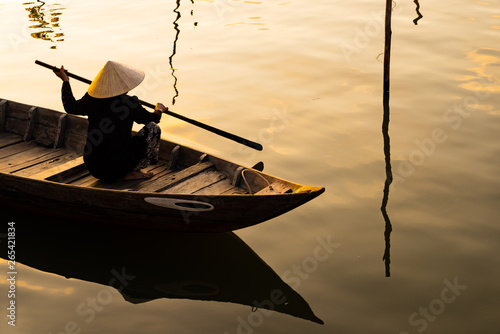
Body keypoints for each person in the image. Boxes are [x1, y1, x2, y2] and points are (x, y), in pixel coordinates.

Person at [53, 61, 168, 182]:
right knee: (154, 128)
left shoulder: (91, 99)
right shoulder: (129, 103)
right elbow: (152, 119)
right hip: (119, 167)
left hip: (94, 167)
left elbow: (70, 106)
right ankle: (132, 171)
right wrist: (158, 110)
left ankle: (127, 170)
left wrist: (65, 80)